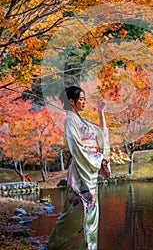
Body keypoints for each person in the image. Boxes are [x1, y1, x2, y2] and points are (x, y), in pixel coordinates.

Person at [46, 85, 110, 250]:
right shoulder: (70, 120)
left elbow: (101, 136)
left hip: (89, 171)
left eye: (84, 99)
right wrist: (98, 157)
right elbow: (76, 148)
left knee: (91, 210)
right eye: (80, 99)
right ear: (72, 102)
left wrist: (101, 112)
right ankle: (55, 245)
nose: (84, 102)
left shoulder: (83, 121)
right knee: (72, 212)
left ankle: (88, 246)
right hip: (80, 171)